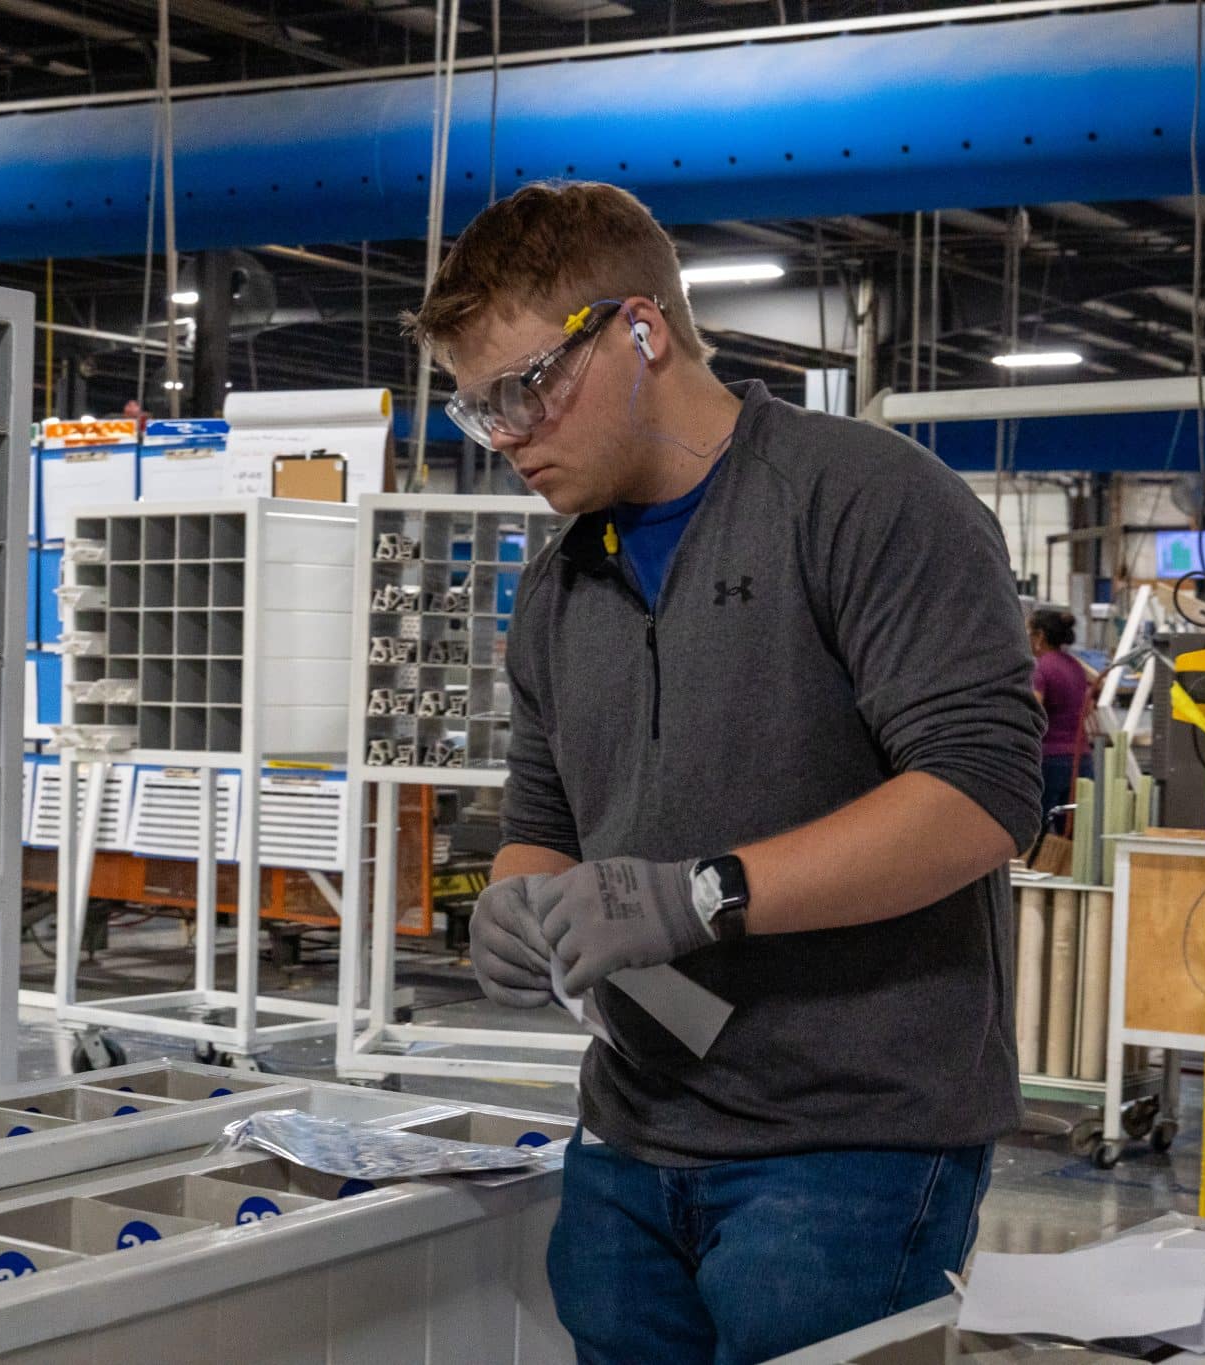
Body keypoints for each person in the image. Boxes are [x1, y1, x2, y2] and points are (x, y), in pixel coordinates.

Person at [407, 182, 1045, 1365]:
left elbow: (981, 793)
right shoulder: (557, 586)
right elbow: (545, 817)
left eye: (524, 388)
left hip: (847, 1148)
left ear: (639, 331)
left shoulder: (860, 500)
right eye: (473, 408)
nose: (504, 434)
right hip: (629, 1135)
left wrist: (699, 894)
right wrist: (517, 896)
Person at [1028, 607, 1096, 823]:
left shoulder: (1041, 669)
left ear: (1039, 637)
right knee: (1077, 836)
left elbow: (1032, 715)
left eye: (1027, 633)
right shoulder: (1076, 666)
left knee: (1040, 834)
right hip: (1081, 760)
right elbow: (1088, 708)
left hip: (1051, 763)